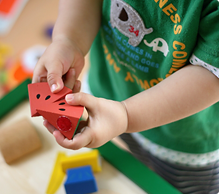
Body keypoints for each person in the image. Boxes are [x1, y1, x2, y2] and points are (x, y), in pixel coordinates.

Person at [32, 0, 219, 193]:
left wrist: (127, 115)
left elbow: (211, 73)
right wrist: (68, 40)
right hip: (108, 100)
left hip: (182, 141)